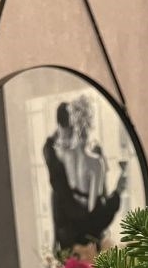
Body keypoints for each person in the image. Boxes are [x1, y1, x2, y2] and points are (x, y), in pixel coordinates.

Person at [44, 98, 127, 252]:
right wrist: (114, 193)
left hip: (68, 230)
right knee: (110, 202)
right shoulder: (95, 162)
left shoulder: (59, 154)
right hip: (83, 227)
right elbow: (93, 210)